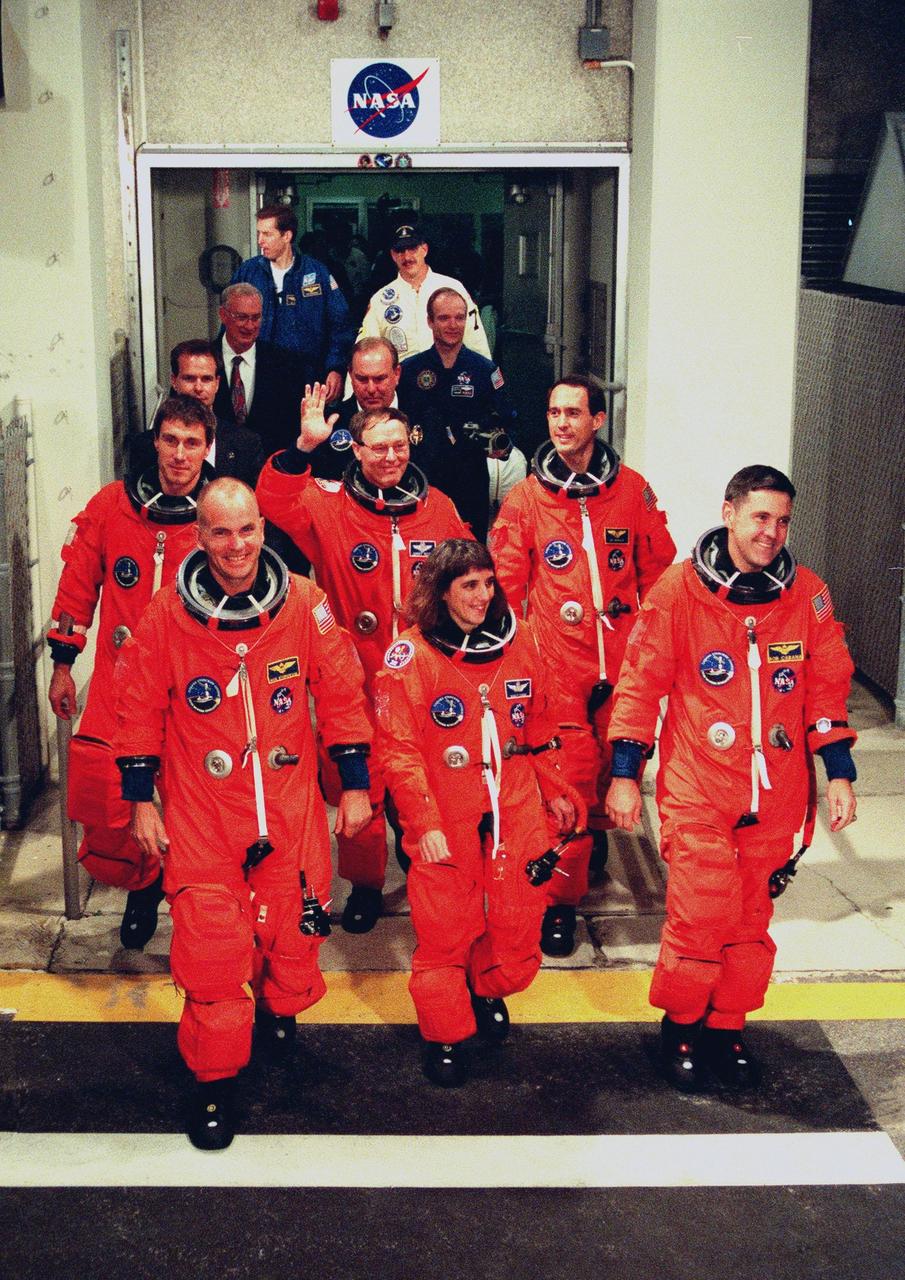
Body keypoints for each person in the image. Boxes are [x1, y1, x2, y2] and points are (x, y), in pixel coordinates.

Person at [113, 478, 373, 1149]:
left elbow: (342, 692)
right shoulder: (167, 615)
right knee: (211, 953)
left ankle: (279, 1007)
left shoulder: (305, 605)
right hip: (204, 818)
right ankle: (214, 1083)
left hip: (288, 817)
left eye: (247, 530)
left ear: (263, 529)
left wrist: (351, 785)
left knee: (295, 941)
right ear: (199, 537)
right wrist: (141, 799)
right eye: (220, 532)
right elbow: (137, 705)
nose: (236, 545)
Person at [604, 465, 857, 1092]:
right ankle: (682, 1026)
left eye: (783, 521)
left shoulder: (809, 596)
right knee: (700, 915)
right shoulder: (678, 592)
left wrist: (841, 773)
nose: (772, 533)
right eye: (761, 517)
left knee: (749, 923)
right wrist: (626, 774)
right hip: (700, 786)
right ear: (730, 512)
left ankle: (727, 1025)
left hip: (776, 793)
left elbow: (827, 686)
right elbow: (640, 685)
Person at [255, 391, 471, 932]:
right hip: (355, 676)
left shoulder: (438, 507)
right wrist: (304, 445)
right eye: (378, 448)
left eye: (399, 446)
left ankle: (424, 870)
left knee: (425, 783)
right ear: (356, 451)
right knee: (363, 789)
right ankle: (366, 885)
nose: (391, 457)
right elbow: (273, 499)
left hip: (424, 678)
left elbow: (471, 571)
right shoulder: (329, 506)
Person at [374, 540, 577, 1086]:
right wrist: (425, 823)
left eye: (488, 583)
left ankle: (485, 985)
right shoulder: (410, 657)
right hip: (447, 815)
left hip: (514, 809)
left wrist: (555, 787)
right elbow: (399, 751)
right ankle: (445, 1033)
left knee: (517, 924)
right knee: (444, 933)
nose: (483, 596)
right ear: (441, 591)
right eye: (469, 585)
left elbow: (541, 723)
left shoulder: (522, 640)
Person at [490, 376, 676, 956]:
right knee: (566, 786)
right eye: (553, 413)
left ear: (598, 420)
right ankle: (560, 905)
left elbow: (658, 576)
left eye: (573, 412)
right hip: (559, 667)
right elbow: (504, 587)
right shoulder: (526, 498)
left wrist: (653, 652)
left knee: (611, 771)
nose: (561, 423)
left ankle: (591, 847)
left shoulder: (632, 491)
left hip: (623, 666)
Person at [48, 395, 213, 949]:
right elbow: (76, 586)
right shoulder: (113, 506)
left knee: (195, 804)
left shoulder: (221, 515)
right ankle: (142, 889)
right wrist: (64, 664)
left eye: (192, 443)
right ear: (156, 442)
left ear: (206, 448)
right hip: (121, 684)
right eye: (171, 440)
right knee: (115, 799)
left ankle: (185, 901)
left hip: (194, 690)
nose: (180, 455)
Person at [398, 287, 518, 541]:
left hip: (469, 478)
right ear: (430, 321)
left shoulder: (485, 370)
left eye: (459, 318)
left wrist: (501, 445)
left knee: (470, 553)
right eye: (444, 318)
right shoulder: (409, 371)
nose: (453, 325)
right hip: (422, 477)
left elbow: (508, 419)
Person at [232, 203, 354, 401]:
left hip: (307, 381)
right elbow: (229, 325)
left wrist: (336, 368)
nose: (260, 241)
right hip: (258, 381)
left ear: (287, 236)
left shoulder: (316, 274)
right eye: (258, 233)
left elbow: (340, 325)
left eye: (267, 234)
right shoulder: (248, 273)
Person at [128, 341, 264, 488]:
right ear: (174, 381)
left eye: (206, 379)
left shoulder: (246, 445)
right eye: (189, 378)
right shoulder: (143, 446)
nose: (198, 388)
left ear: (217, 383)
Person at [358, 223, 491, 363]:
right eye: (400, 251)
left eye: (412, 249)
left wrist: (486, 379)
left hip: (448, 379)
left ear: (424, 249)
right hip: (402, 381)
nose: (407, 257)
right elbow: (363, 352)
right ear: (393, 255)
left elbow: (477, 343)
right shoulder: (380, 300)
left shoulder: (453, 288)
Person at [212, 283, 304, 457]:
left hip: (269, 469)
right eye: (241, 317)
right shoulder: (202, 360)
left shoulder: (287, 364)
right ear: (223, 315)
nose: (249, 326)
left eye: (256, 318)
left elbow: (294, 427)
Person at [307, 337, 402, 481]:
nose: (371, 389)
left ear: (397, 374)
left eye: (379, 379)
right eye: (362, 379)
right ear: (350, 375)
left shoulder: (424, 415)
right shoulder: (328, 424)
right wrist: (305, 443)